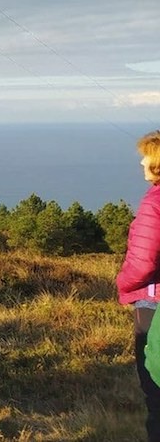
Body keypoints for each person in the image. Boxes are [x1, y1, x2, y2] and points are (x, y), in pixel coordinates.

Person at [117, 130, 160, 441]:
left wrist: (121, 282)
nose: (142, 161)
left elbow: (143, 262)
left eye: (146, 155)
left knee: (154, 388)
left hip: (153, 303)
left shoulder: (154, 203)